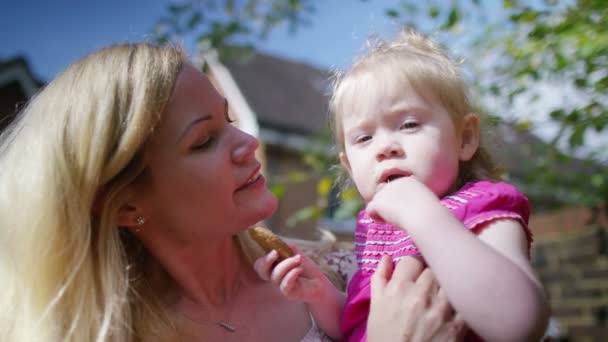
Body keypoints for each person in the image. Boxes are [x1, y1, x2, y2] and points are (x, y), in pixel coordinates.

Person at [0, 42, 465, 341]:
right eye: (203, 140)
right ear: (124, 204)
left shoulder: (342, 273)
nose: (249, 144)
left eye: (230, 121)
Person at [254, 28, 550, 341]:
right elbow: (363, 325)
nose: (385, 147)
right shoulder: (374, 229)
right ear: (350, 166)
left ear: (464, 138)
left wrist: (424, 214)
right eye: (365, 137)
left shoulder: (484, 204)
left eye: (408, 124)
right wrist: (321, 296)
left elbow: (519, 324)